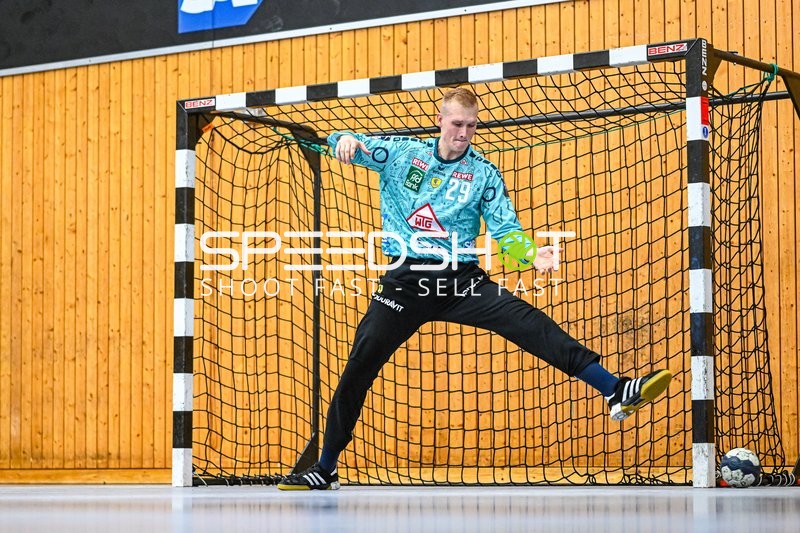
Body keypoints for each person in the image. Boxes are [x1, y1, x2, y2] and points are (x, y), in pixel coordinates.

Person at [277, 88, 672, 491]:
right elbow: (347, 142)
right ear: (440, 120)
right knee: (360, 365)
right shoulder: (401, 154)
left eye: (471, 125)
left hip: (460, 281)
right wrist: (341, 138)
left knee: (529, 323)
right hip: (405, 283)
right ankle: (325, 468)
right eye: (456, 124)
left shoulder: (484, 173)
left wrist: (531, 255)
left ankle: (616, 389)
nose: (463, 133)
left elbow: (506, 230)